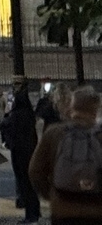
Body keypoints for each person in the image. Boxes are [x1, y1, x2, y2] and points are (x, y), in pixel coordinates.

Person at [30, 83, 102, 223]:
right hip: (97, 210)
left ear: (72, 107)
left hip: (63, 208)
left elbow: (35, 171)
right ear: (95, 109)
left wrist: (52, 194)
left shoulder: (54, 133)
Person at [7, 84, 44, 223]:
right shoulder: (29, 115)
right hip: (31, 151)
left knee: (24, 184)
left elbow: (7, 127)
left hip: (20, 154)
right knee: (31, 185)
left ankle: (30, 215)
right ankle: (35, 210)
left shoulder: (16, 115)